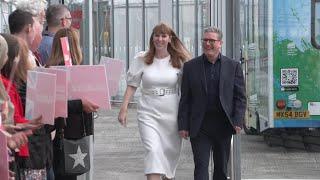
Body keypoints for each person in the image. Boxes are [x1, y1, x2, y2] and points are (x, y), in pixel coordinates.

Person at [118, 22, 191, 180]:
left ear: (170, 39)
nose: (160, 39)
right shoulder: (142, 59)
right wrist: (123, 108)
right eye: (156, 35)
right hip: (148, 112)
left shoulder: (179, 61)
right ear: (152, 38)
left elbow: (188, 90)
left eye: (163, 36)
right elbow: (132, 85)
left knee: (168, 156)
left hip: (172, 114)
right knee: (152, 151)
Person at [177, 26, 246, 180]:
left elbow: (240, 97)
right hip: (200, 126)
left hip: (223, 125)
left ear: (220, 43)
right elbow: (185, 98)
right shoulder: (190, 67)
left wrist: (237, 121)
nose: (207, 44)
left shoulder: (233, 66)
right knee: (201, 167)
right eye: (205, 40)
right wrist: (183, 125)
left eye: (212, 41)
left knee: (221, 169)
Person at [46, 28, 99, 180]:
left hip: (58, 134)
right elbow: (57, 103)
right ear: (75, 45)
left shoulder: (48, 69)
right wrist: (81, 103)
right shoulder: (76, 70)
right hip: (70, 133)